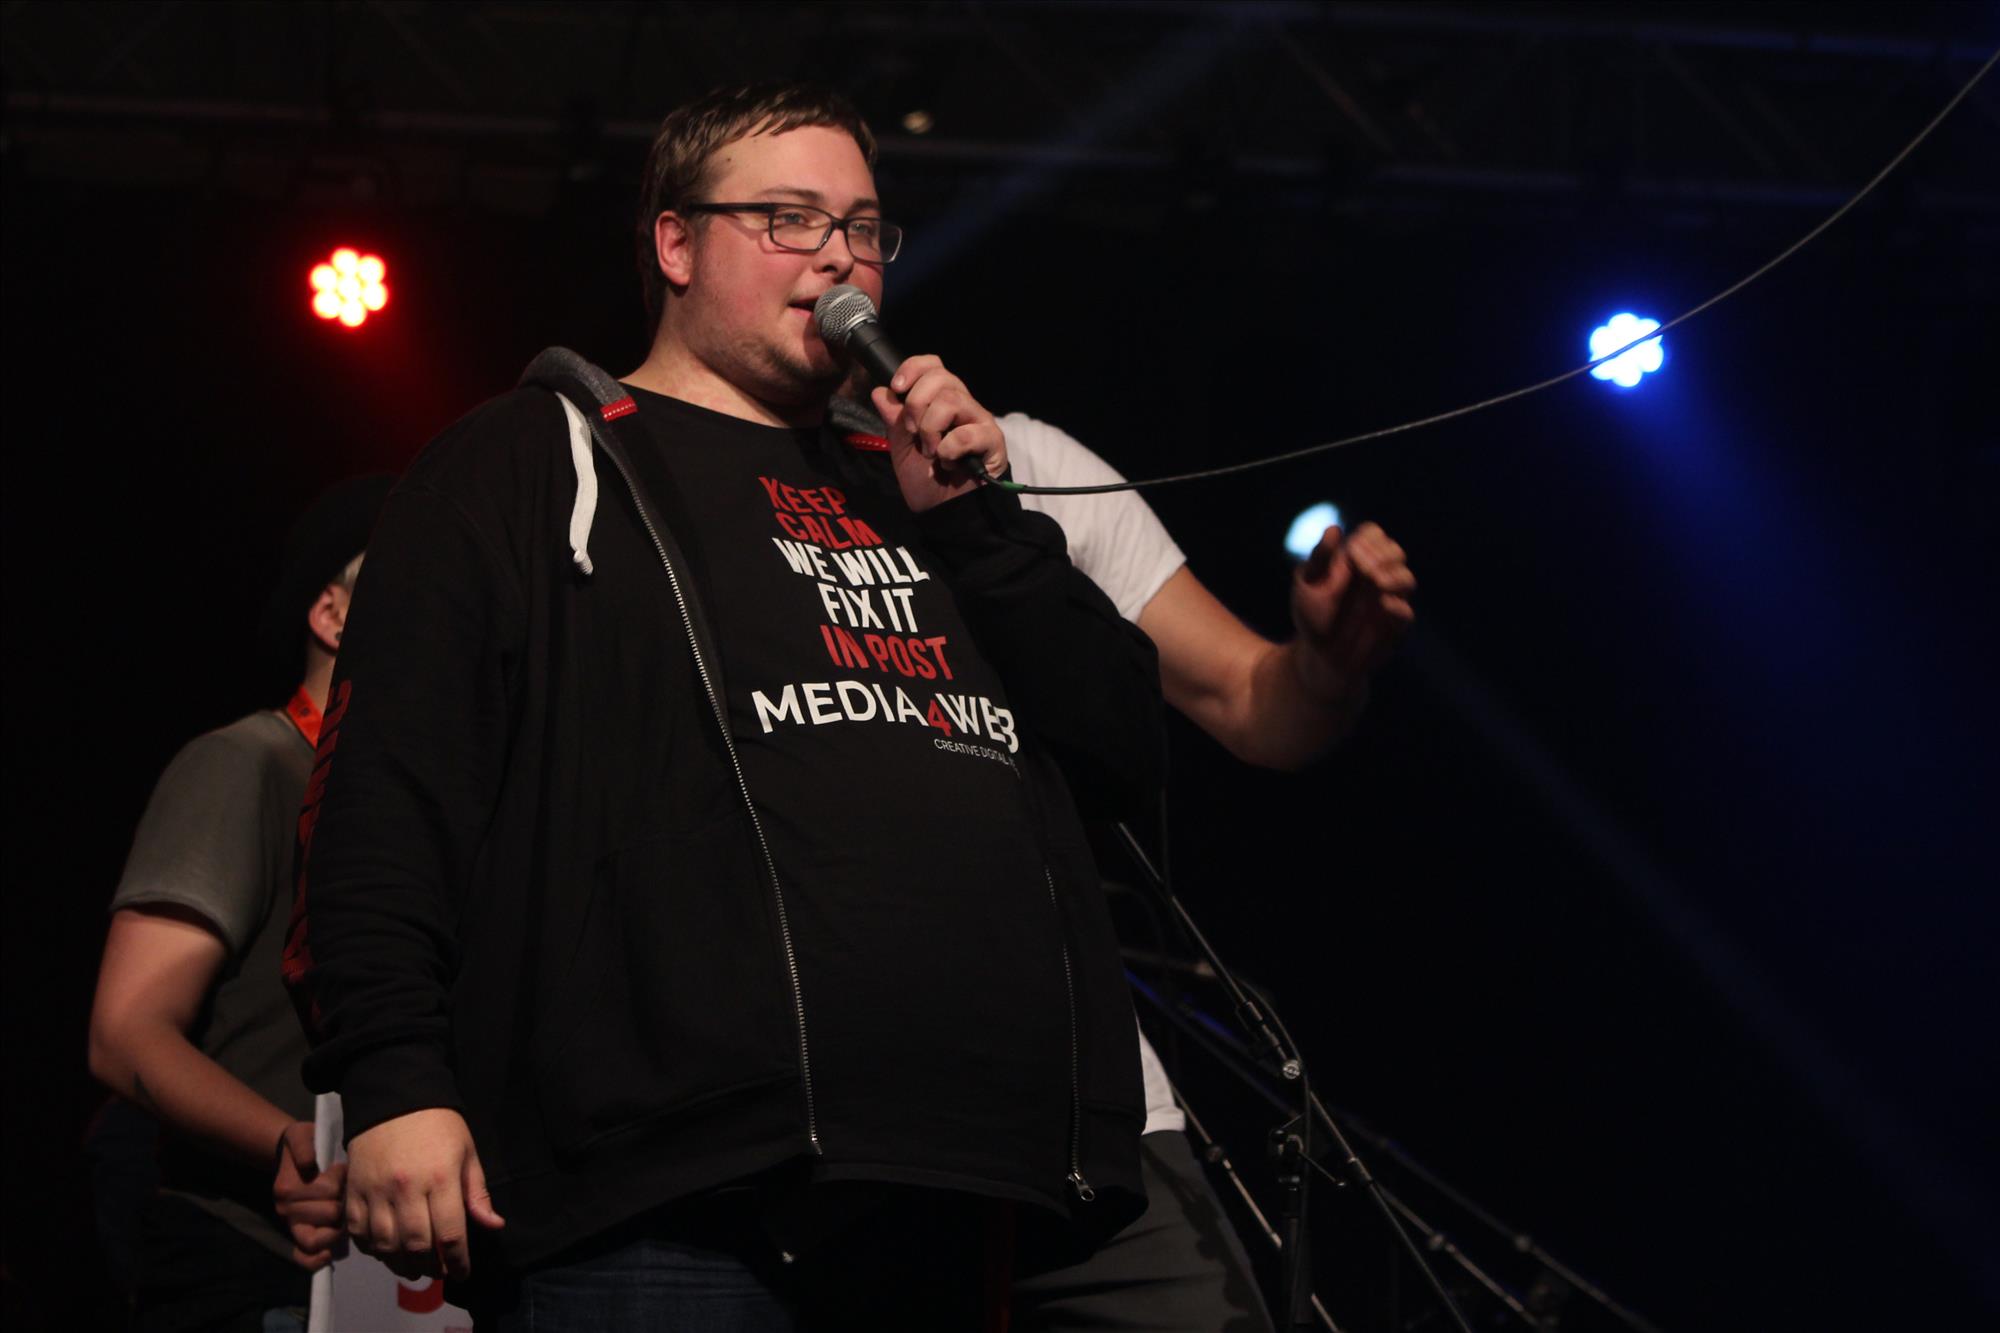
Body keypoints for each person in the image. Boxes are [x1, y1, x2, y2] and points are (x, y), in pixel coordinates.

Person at [281, 83, 1163, 1329]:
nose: (839, 257)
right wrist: (393, 1078)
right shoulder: (527, 461)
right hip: (667, 1191)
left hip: (956, 1177)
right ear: (675, 243)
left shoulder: (917, 493)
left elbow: (1120, 753)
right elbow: (388, 795)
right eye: (789, 218)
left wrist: (983, 529)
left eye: (862, 227)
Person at [821, 400, 1416, 1330]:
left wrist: (1326, 666)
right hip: (854, 1123)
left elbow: (1253, 702)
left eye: (864, 242)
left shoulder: (1030, 457)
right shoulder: (706, 467)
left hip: (1092, 1118)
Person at [86, 476, 391, 1332]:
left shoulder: (414, 809)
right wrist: (286, 1142)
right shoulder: (248, 764)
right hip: (253, 1265)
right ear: (331, 615)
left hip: (385, 1276)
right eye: (405, 573)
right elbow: (125, 1031)